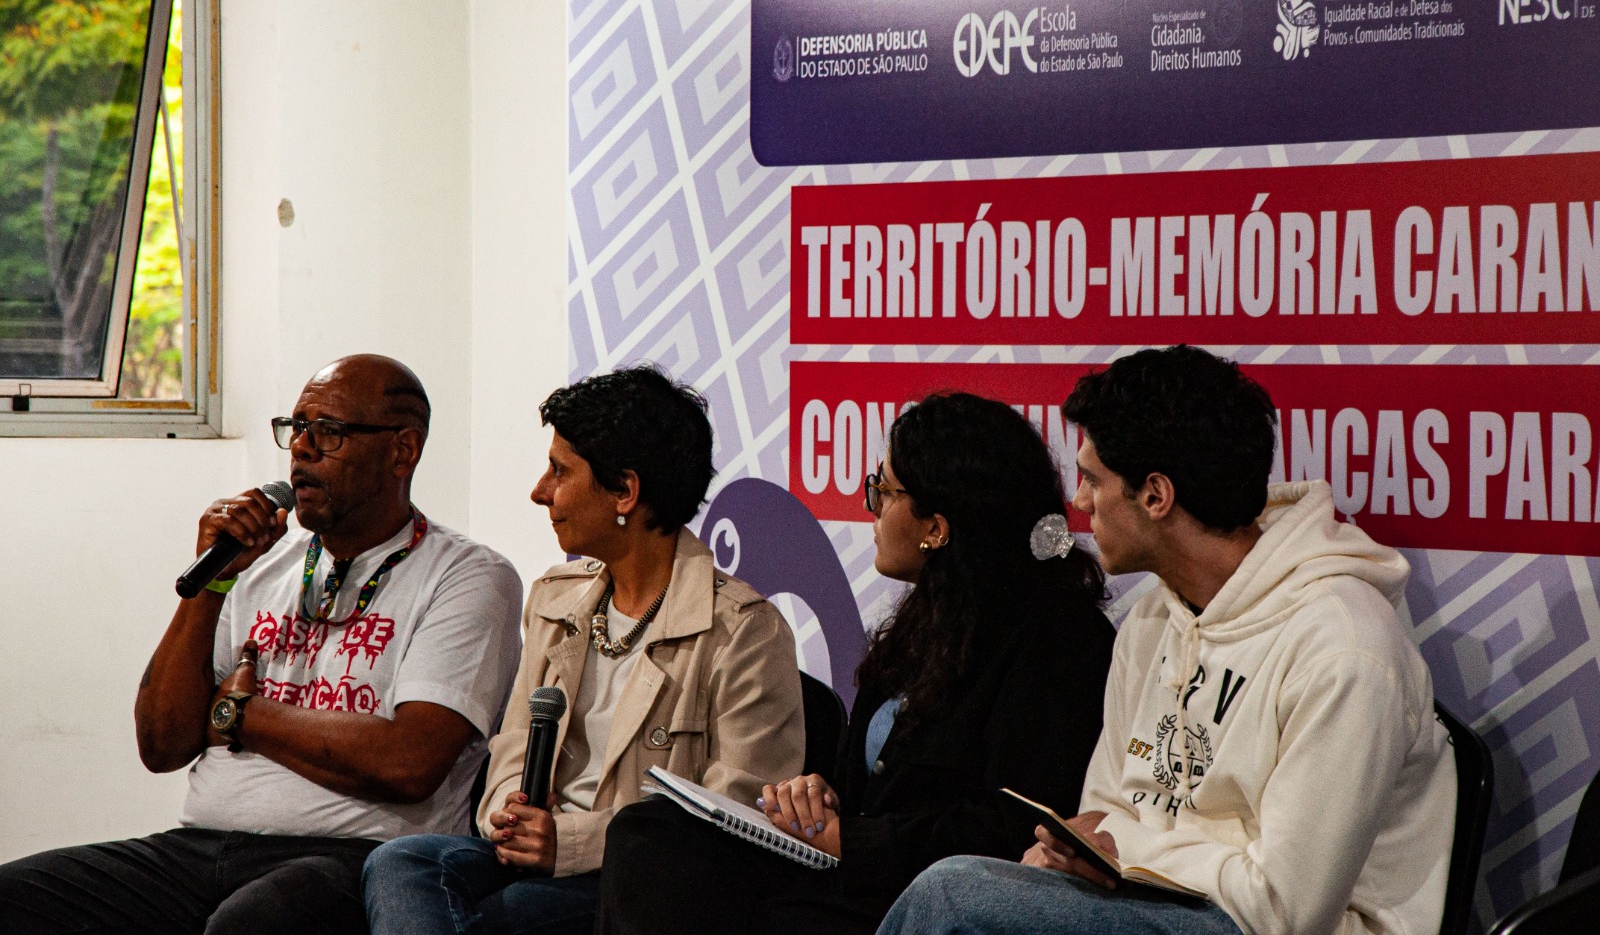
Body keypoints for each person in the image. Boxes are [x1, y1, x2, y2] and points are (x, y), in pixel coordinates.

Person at [879, 345, 1458, 935]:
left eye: (1091, 479)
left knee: (954, 898)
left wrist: (1121, 848)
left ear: (1156, 495)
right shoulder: (1152, 621)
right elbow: (1100, 814)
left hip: (1266, 927)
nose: (1078, 503)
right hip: (1154, 903)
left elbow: (1282, 911)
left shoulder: (1345, 646)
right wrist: (1079, 855)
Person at [0, 354, 524, 935]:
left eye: (328, 432)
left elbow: (408, 762)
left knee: (250, 924)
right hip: (199, 846)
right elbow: (162, 742)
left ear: (402, 451)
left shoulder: (468, 576)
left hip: (353, 858)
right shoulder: (259, 565)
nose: (301, 449)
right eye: (296, 428)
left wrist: (234, 712)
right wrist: (213, 583)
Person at [594, 391, 1115, 935]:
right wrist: (816, 793)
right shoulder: (923, 622)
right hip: (844, 871)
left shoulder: (1059, 637)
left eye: (882, 491)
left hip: (921, 895)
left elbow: (1016, 826)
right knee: (649, 833)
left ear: (936, 527)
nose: (869, 506)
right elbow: (867, 789)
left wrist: (851, 839)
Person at [362, 364, 805, 935]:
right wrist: (509, 815)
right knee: (401, 862)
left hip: (636, 884)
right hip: (531, 855)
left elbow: (732, 817)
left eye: (559, 470)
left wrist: (568, 844)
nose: (539, 491)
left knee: (503, 918)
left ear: (625, 490)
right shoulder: (555, 598)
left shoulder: (744, 631)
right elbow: (514, 744)